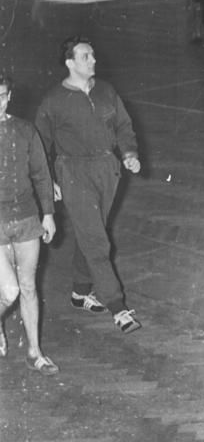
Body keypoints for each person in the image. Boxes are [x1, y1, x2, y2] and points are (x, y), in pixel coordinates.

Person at [35, 36, 142, 335]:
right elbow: (40, 146)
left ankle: (81, 291)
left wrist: (129, 154)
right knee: (96, 239)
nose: (93, 60)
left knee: (92, 230)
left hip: (107, 170)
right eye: (86, 56)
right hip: (73, 172)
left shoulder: (106, 90)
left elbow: (123, 125)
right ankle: (118, 307)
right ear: (70, 63)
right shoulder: (53, 100)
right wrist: (49, 182)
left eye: (93, 54)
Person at [0, 74, 59, 375]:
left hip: (25, 217)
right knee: (8, 291)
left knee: (28, 287)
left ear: (9, 97)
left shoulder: (24, 130)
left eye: (2, 95)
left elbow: (40, 173)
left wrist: (47, 213)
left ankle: (35, 352)